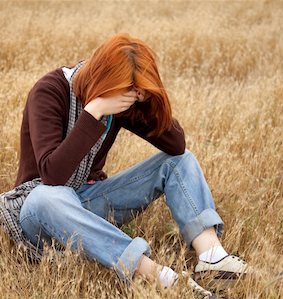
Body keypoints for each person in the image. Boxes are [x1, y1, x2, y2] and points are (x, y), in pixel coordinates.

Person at [15, 33, 249, 298]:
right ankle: (159, 276)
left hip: (89, 202)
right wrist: (95, 111)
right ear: (105, 80)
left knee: (179, 162)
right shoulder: (50, 91)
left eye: (137, 91)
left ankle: (214, 259)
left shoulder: (122, 102)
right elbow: (52, 175)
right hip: (40, 210)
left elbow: (176, 146)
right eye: (130, 89)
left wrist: (147, 101)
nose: (133, 96)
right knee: (48, 197)